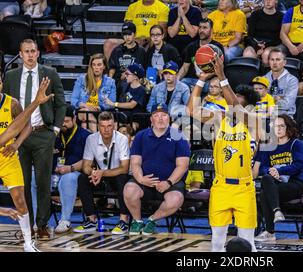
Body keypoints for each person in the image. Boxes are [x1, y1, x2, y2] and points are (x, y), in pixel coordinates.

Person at [186, 55, 262, 252]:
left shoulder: (254, 121)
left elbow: (236, 108)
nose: (230, 103)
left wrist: (221, 76)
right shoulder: (220, 118)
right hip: (220, 186)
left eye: (237, 100)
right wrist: (201, 80)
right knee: (217, 242)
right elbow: (191, 110)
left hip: (244, 187)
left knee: (247, 243)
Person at [3, 39, 66, 240]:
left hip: (43, 133)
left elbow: (61, 103)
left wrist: (55, 129)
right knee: (22, 184)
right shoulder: (11, 76)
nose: (30, 55)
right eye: (26, 52)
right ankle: (26, 226)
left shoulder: (50, 73)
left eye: (33, 51)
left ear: (38, 53)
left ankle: (42, 225)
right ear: (20, 55)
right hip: (18, 136)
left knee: (43, 182)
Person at [0, 77, 52, 252]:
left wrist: (16, 144)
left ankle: (28, 242)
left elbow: (23, 126)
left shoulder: (11, 103)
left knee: (20, 200)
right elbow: (11, 131)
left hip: (7, 157)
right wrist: (36, 102)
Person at [124, 103, 190, 235]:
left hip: (170, 183)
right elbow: (135, 163)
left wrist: (169, 182)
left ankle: (151, 220)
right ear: (151, 119)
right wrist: (141, 179)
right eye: (156, 115)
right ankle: (137, 221)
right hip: (145, 181)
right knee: (129, 190)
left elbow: (182, 165)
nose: (160, 118)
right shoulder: (141, 136)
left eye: (164, 115)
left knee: (176, 199)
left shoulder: (179, 136)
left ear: (169, 118)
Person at [74, 112, 131, 235]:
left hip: (117, 176)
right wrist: (93, 173)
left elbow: (124, 168)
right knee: (83, 178)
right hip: (100, 177)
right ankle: (91, 219)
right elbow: (85, 166)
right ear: (98, 126)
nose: (106, 129)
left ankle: (123, 220)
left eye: (109, 126)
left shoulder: (122, 139)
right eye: (103, 126)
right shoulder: (91, 139)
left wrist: (102, 173)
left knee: (123, 178)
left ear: (114, 126)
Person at [253, 114, 303, 242]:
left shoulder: (296, 144)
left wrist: (279, 170)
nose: (278, 129)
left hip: (294, 184)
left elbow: (299, 165)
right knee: (266, 180)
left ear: (289, 128)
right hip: (276, 184)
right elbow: (262, 168)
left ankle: (270, 231)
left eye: (282, 126)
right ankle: (277, 211)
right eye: (276, 126)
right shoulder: (269, 146)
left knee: (264, 193)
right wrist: (271, 171)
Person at [53, 106, 91, 234]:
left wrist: (71, 168)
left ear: (74, 119)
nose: (63, 124)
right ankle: (38, 220)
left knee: (67, 179)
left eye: (67, 121)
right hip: (54, 172)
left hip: (75, 171)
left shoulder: (85, 136)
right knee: (35, 178)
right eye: (61, 121)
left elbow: (88, 160)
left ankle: (65, 220)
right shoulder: (53, 134)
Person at [71, 53, 116, 132]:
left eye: (99, 65)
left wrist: (100, 107)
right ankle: (97, 136)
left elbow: (112, 102)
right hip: (83, 110)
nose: (96, 68)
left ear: (104, 66)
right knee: (85, 111)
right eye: (94, 65)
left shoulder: (110, 82)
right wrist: (85, 105)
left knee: (85, 124)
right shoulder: (81, 79)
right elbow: (73, 100)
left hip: (100, 111)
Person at [178, 18, 224, 92]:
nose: (201, 30)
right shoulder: (191, 46)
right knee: (181, 84)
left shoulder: (217, 47)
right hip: (192, 80)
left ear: (211, 30)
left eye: (205, 28)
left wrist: (204, 77)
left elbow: (220, 69)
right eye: (200, 27)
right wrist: (176, 81)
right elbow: (184, 68)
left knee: (212, 87)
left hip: (209, 82)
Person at [108, 22, 146, 98]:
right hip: (119, 84)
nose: (127, 37)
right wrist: (110, 84)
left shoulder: (141, 51)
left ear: (135, 34)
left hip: (135, 84)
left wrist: (129, 75)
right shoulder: (117, 50)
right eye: (124, 35)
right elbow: (112, 69)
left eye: (129, 34)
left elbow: (143, 71)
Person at [105, 63, 149, 130]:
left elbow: (131, 105)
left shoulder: (141, 90)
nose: (125, 76)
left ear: (135, 77)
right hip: (123, 116)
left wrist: (114, 104)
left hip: (135, 119)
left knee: (127, 129)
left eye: (127, 74)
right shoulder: (125, 85)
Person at [243, 0, 283, 66]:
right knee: (248, 54)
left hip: (272, 44)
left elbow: (279, 37)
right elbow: (250, 35)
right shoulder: (255, 14)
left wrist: (265, 46)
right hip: (255, 43)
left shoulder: (281, 16)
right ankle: (252, 75)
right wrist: (256, 45)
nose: (268, 1)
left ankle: (266, 75)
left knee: (266, 54)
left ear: (276, 1)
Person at [264, 47, 298, 117]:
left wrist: (269, 99)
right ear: (269, 62)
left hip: (284, 116)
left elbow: (287, 105)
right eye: (272, 60)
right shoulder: (263, 79)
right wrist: (278, 99)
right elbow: (259, 103)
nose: (275, 62)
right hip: (266, 116)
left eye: (278, 59)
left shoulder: (292, 80)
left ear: (284, 62)